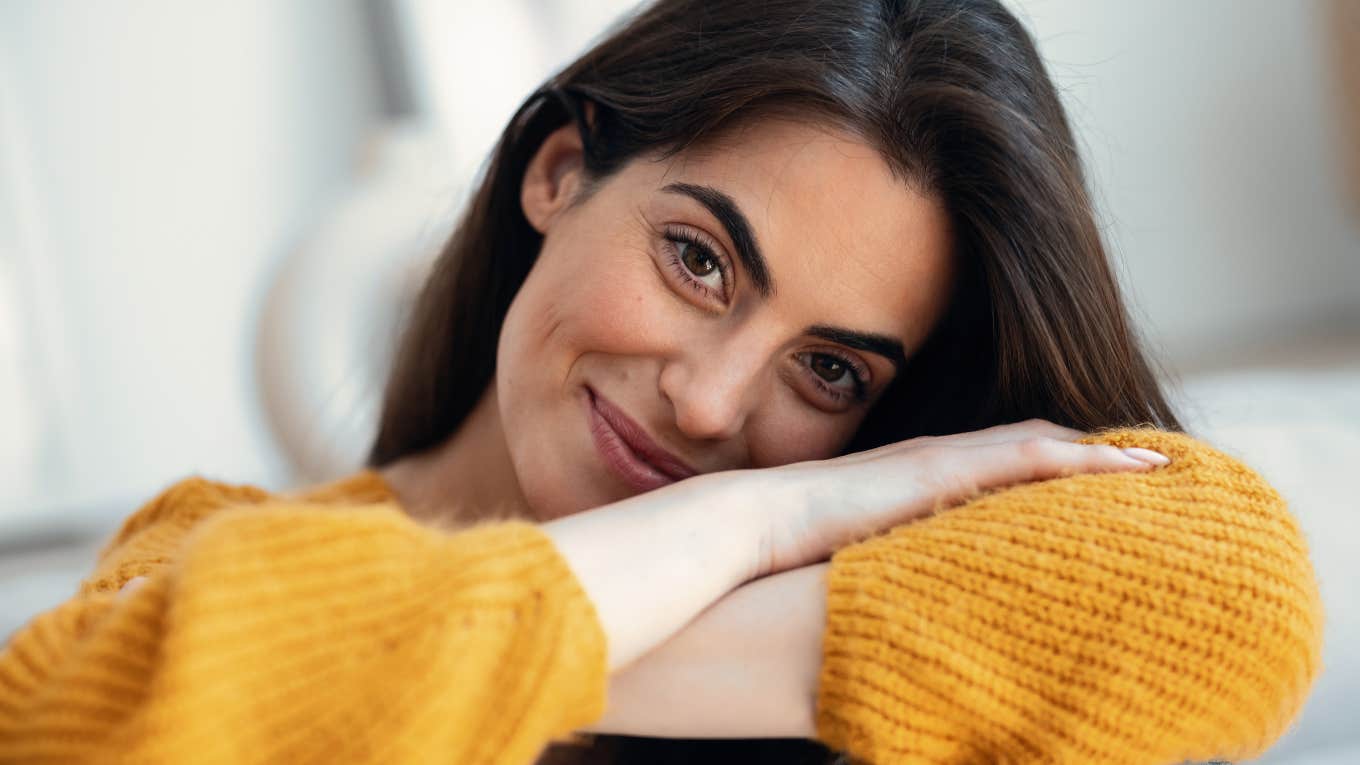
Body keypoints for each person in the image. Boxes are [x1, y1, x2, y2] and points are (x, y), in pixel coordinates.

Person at [0, 1, 1322, 764]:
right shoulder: (199, 553)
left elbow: (1244, 591)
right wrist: (757, 515)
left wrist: (509, 662)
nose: (710, 404)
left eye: (829, 368)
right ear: (559, 174)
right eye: (699, 259)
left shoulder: (888, 598)